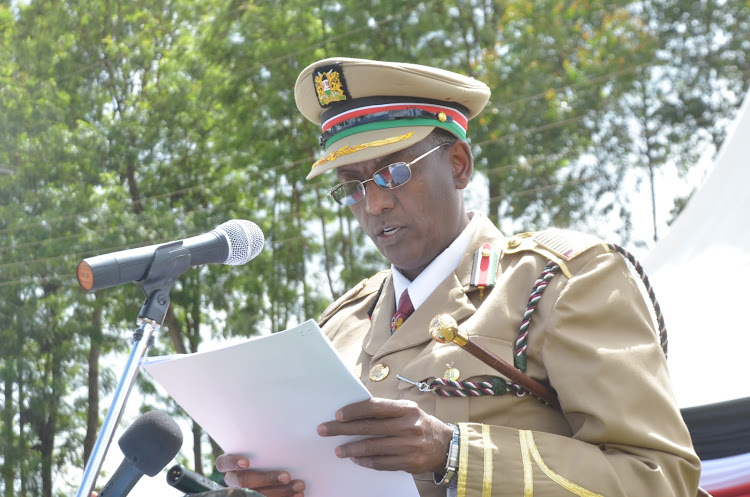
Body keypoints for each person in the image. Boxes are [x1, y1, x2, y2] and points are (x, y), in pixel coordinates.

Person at [216, 57, 701, 497]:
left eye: (393, 174)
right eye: (352, 186)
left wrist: (454, 453)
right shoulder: (340, 325)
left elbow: (658, 476)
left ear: (459, 165)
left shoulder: (561, 281)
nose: (374, 203)